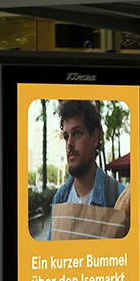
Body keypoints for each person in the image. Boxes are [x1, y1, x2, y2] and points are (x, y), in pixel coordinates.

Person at [44, 99, 128, 239]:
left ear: (94, 138)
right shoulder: (60, 197)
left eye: (77, 133)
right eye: (66, 136)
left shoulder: (117, 196)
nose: (69, 143)